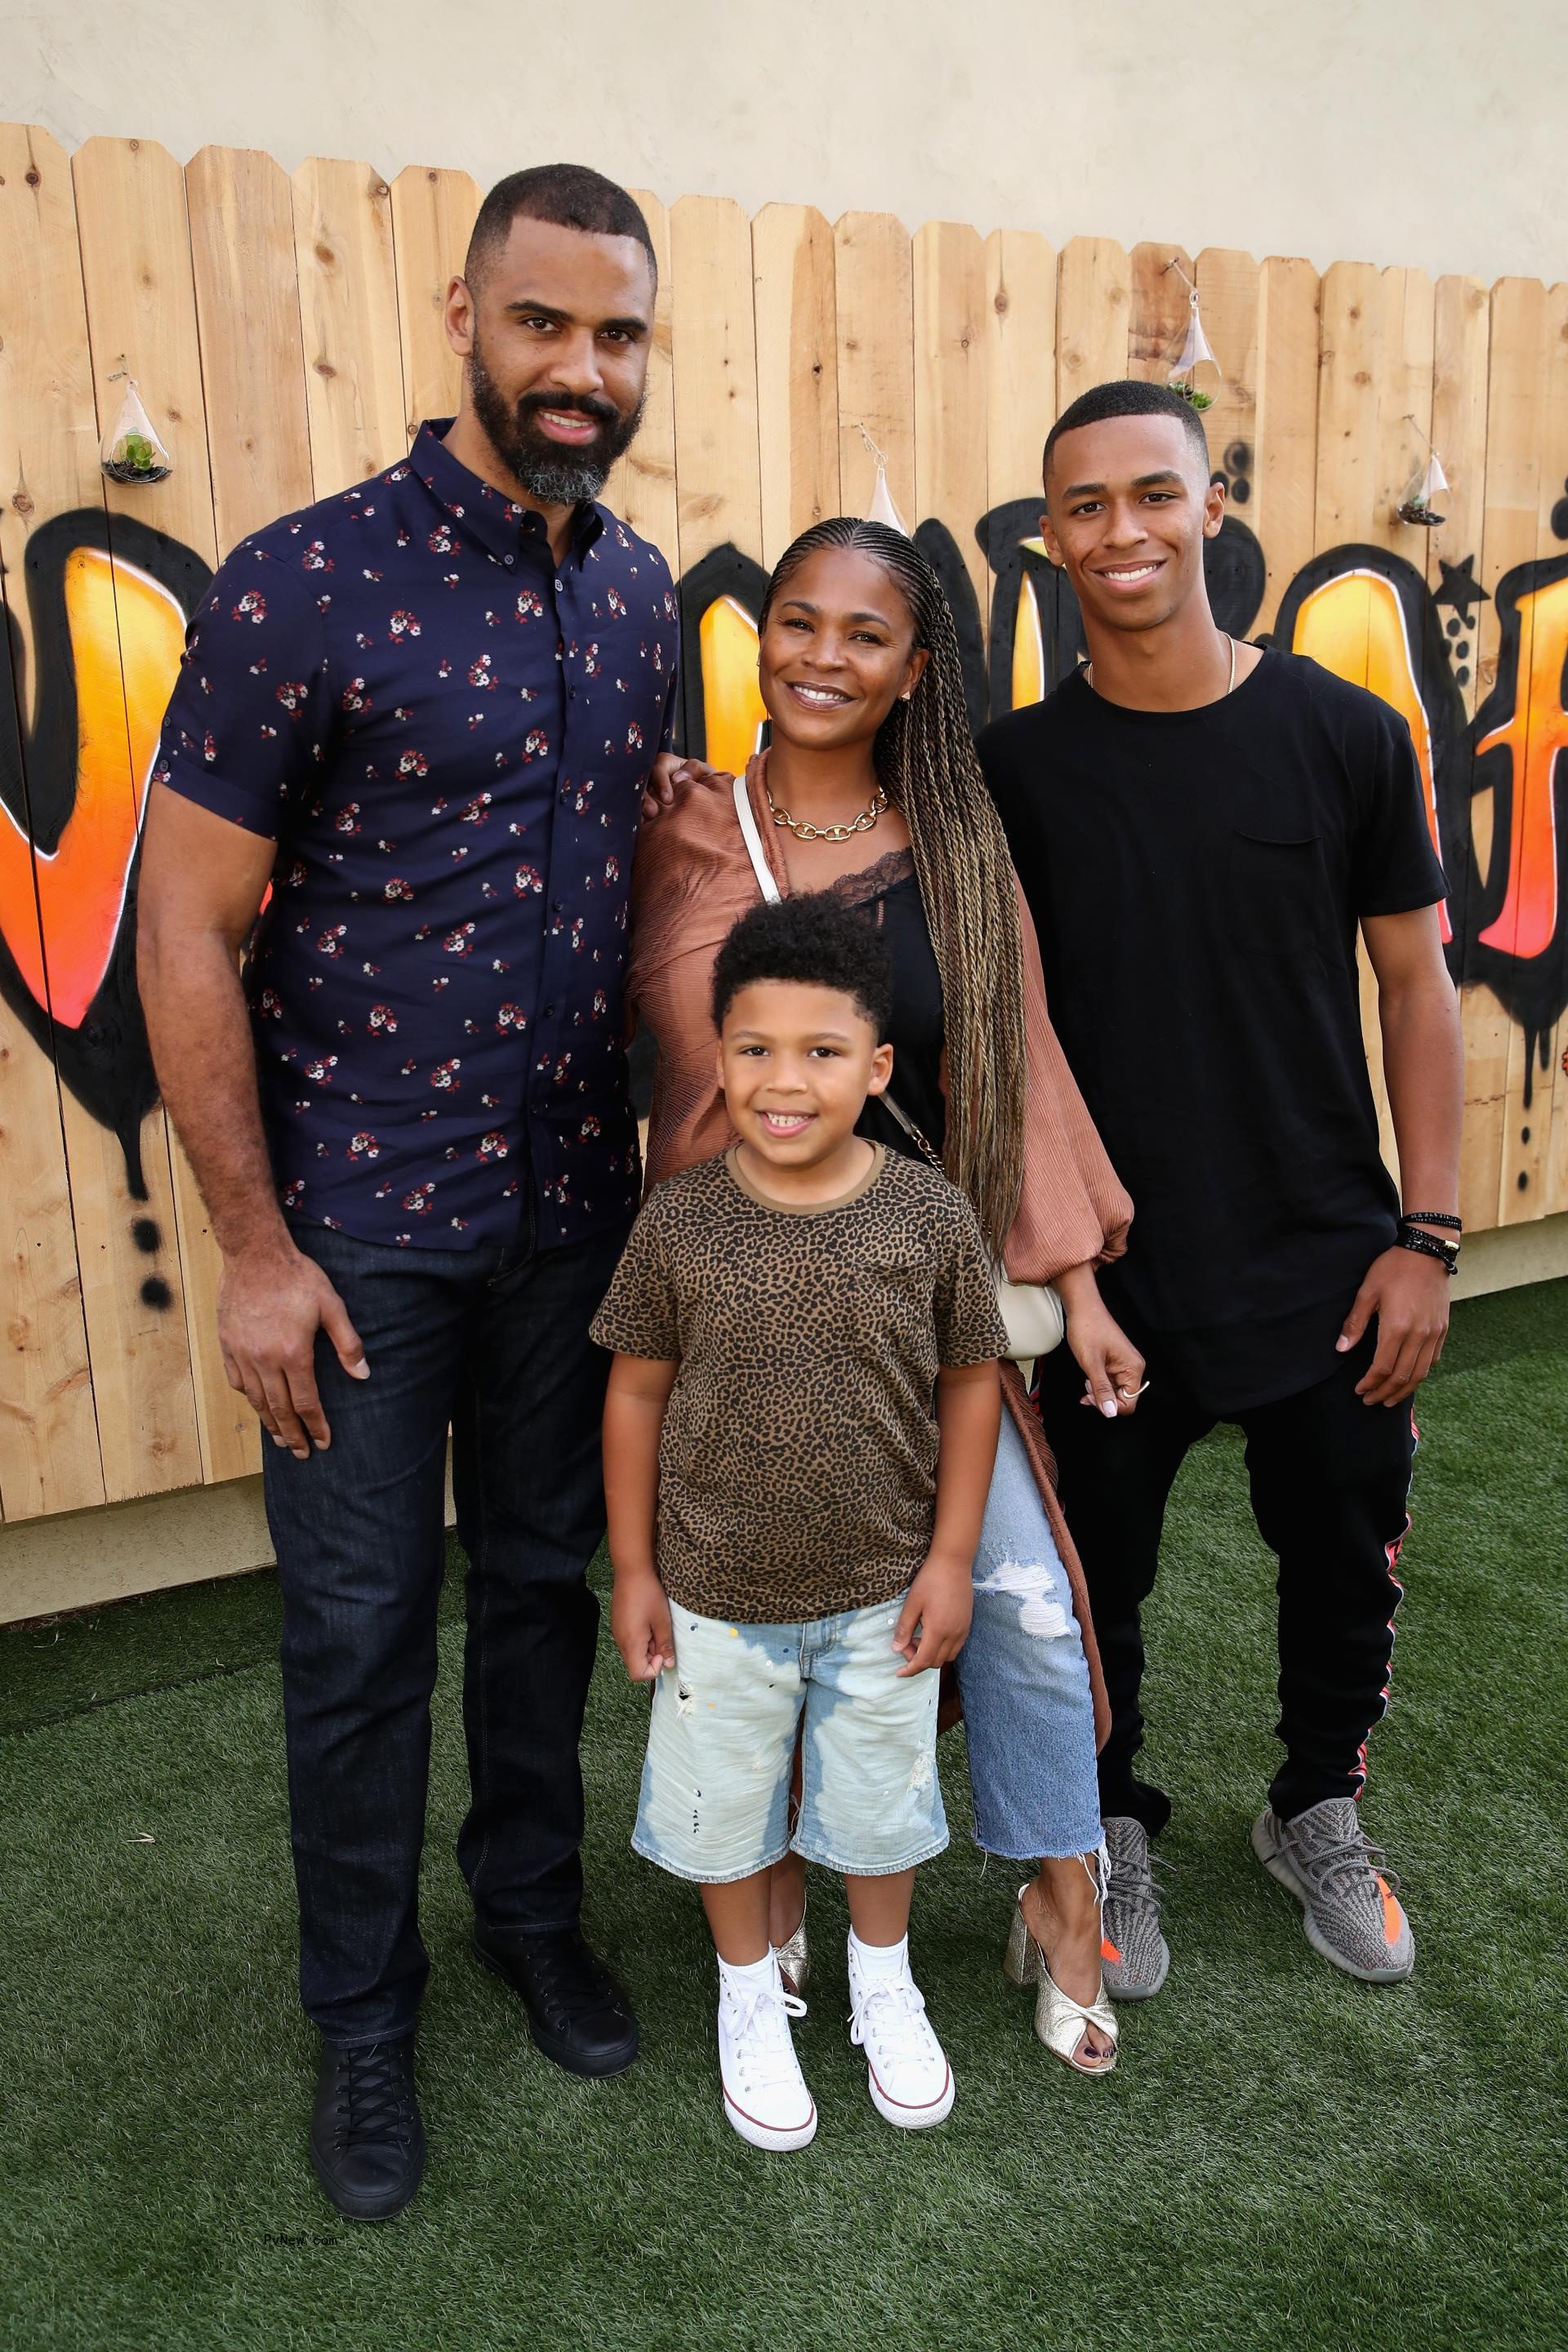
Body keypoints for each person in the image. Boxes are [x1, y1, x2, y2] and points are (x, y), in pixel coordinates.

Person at [137, 163, 681, 2221]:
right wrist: (255, 1255)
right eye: (543, 324)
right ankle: (361, 2017)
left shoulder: (636, 593)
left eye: (615, 333)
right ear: (464, 316)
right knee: (361, 1631)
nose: (579, 368)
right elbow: (180, 931)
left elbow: (637, 885)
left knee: (542, 1587)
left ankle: (526, 1916)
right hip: (355, 1229)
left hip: (572, 1211)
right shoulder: (300, 581)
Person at [635, 517, 1142, 2074]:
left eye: (865, 636)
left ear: (917, 669)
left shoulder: (959, 851)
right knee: (773, 1612)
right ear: (762, 634)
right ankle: (774, 1899)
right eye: (798, 623)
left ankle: (1064, 1892)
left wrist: (1074, 1281)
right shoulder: (682, 829)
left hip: (914, 1290)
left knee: (1019, 1607)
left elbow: (1021, 1062)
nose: (823, 659)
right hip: (727, 1311)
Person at [978, 377, 1464, 1996]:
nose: (1123, 530)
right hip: (1102, 1276)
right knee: (1083, 1584)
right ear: (1050, 540)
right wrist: (1056, 1270)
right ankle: (1108, 1825)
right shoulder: (1014, 770)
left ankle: (1318, 1806)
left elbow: (1417, 986)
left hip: (1323, 1253)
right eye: (1086, 506)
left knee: (1342, 1544)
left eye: (1153, 495)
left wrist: (1431, 1237)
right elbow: (1007, 1031)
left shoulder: (1342, 733)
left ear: (1213, 509)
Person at [595, 890, 1007, 2147]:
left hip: (884, 1592)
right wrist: (633, 1571)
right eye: (755, 1050)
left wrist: (950, 1559)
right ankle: (747, 1999)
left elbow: (974, 1379)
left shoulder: (926, 1214)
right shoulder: (681, 1220)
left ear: (877, 1066)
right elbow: (634, 1391)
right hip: (716, 1599)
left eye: (822, 1053)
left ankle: (882, 1983)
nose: (786, 1081)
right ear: (717, 1059)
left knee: (879, 1808)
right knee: (728, 1810)